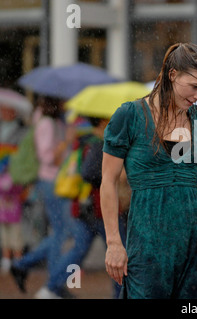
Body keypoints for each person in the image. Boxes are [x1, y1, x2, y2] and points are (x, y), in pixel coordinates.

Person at [101, 43, 197, 299]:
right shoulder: (129, 116)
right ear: (172, 74)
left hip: (193, 244)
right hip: (147, 242)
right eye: (195, 86)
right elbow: (107, 182)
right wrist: (113, 243)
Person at [33, 116, 127, 299]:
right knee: (119, 250)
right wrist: (111, 176)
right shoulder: (99, 143)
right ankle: (120, 294)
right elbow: (89, 173)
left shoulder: (87, 140)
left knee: (79, 249)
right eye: (108, 119)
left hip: (87, 208)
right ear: (100, 122)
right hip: (99, 208)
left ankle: (50, 287)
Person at [10, 96, 74, 295]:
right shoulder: (46, 123)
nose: (66, 104)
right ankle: (45, 277)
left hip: (57, 182)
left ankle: (50, 279)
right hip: (50, 182)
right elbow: (47, 157)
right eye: (63, 101)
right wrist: (66, 143)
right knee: (61, 232)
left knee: (61, 232)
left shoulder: (56, 122)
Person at [0, 102, 29, 273]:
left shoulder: (22, 131)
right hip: (3, 183)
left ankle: (17, 259)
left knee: (15, 225)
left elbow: (21, 154)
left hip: (13, 180)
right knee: (3, 224)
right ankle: (6, 257)